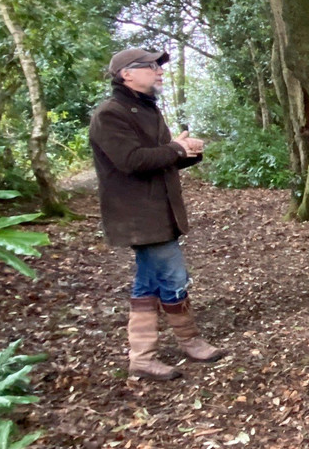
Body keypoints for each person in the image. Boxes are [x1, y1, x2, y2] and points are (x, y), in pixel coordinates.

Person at [89, 48, 224, 382]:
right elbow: (132, 161)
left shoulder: (149, 110)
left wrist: (187, 153)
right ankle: (188, 341)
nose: (158, 71)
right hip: (137, 216)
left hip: (159, 213)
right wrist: (175, 149)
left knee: (148, 281)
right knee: (173, 277)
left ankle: (144, 357)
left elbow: (161, 157)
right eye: (150, 66)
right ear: (126, 74)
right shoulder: (111, 114)